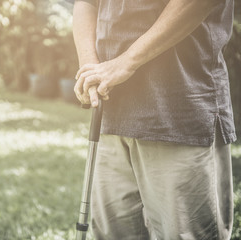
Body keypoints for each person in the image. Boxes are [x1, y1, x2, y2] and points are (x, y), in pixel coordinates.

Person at [72, 0, 237, 239]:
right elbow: (86, 2)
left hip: (179, 113)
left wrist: (126, 62)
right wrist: (90, 67)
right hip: (110, 115)